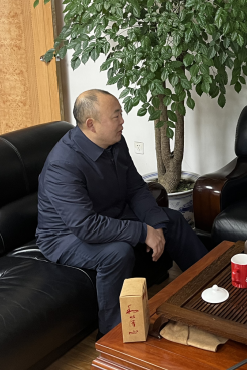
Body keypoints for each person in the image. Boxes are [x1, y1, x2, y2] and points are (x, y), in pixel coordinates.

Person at [36, 89, 207, 337]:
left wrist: (155, 224)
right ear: (91, 124)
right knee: (117, 253)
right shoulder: (63, 164)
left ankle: (210, 286)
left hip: (109, 215)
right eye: (115, 116)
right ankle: (112, 333)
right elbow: (85, 226)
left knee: (172, 220)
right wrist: (142, 232)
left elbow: (135, 187)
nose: (122, 121)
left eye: (120, 114)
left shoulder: (115, 142)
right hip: (65, 236)